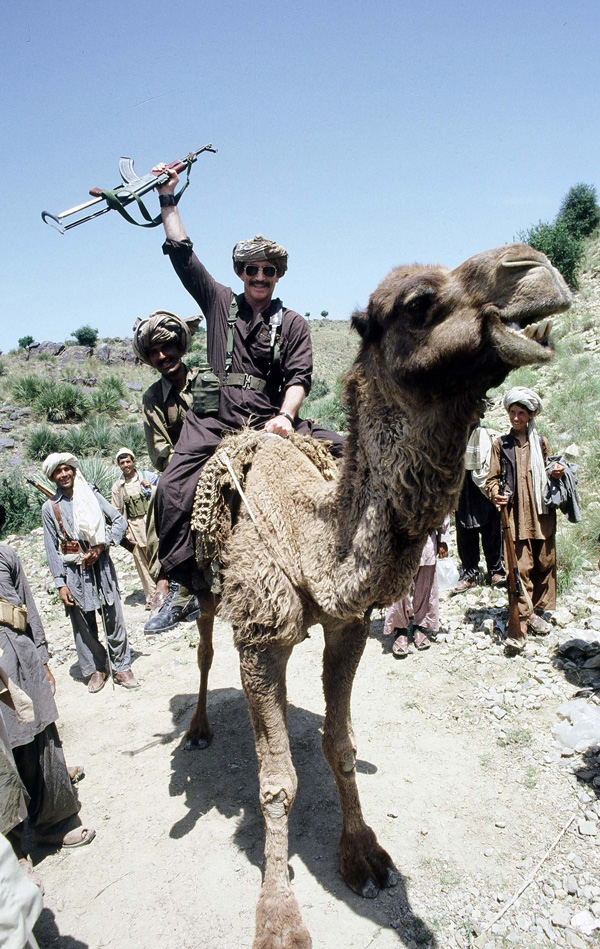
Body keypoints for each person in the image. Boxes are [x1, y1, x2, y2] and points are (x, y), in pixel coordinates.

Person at [139, 162, 344, 630]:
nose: (259, 276)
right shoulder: (218, 302)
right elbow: (182, 256)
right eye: (252, 269)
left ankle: (351, 566)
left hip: (270, 415)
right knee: (171, 491)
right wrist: (168, 198)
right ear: (241, 272)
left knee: (347, 453)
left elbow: (298, 377)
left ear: (277, 276)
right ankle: (186, 585)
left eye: (268, 271)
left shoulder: (292, 323)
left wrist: (287, 417)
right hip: (212, 417)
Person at [0, 504, 96, 873]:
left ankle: (52, 823)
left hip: (22, 659)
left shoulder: (7, 555)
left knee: (41, 738)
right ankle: (13, 853)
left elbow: (28, 607)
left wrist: (41, 657)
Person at [41, 453, 139, 691]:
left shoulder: (91, 495)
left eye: (67, 469)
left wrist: (102, 545)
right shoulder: (50, 507)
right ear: (53, 476)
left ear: (73, 471)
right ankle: (97, 667)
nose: (64, 474)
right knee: (82, 623)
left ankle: (121, 666)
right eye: (58, 471)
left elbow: (118, 521)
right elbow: (51, 549)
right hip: (74, 571)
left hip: (102, 564)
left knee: (113, 615)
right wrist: (60, 583)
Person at [134, 311, 204, 632]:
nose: (162, 356)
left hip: (221, 454)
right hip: (180, 465)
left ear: (180, 347)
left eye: (167, 347)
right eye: (154, 352)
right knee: (165, 496)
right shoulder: (152, 398)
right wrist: (190, 465)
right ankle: (177, 585)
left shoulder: (206, 379)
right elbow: (160, 450)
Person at [485, 387, 565, 647]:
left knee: (545, 562)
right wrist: (496, 494)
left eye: (521, 413)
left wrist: (557, 472)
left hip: (541, 514)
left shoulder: (541, 442)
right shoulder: (501, 444)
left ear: (531, 415)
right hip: (515, 518)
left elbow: (553, 468)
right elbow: (492, 480)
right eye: (512, 412)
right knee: (519, 568)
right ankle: (524, 614)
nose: (515, 418)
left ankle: (539, 610)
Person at [453, 410, 505, 593]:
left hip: (483, 491)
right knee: (465, 533)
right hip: (463, 491)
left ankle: (496, 571)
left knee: (492, 531)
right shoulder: (453, 438)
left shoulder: (488, 436)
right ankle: (469, 574)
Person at [384, 517, 450, 657]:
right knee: (400, 587)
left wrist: (442, 539)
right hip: (401, 539)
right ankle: (400, 629)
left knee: (425, 587)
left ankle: (419, 626)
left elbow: (443, 507)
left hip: (427, 540)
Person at [111, 448, 158, 610]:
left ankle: (166, 593)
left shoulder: (146, 477)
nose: (126, 465)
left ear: (133, 461)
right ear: (119, 465)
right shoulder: (118, 487)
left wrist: (150, 487)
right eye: (122, 463)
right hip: (133, 528)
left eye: (128, 461)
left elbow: (162, 495)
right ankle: (151, 597)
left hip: (151, 525)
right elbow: (115, 511)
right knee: (142, 564)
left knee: (159, 559)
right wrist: (123, 534)